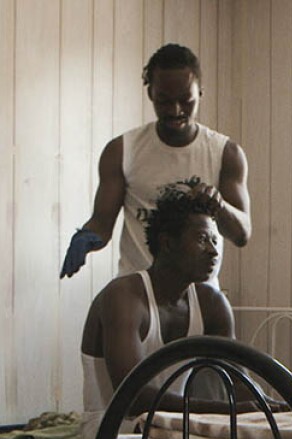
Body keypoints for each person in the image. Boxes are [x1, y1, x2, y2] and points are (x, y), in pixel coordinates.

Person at [79, 188, 253, 439]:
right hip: (115, 428)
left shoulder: (212, 303)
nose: (212, 251)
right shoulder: (124, 296)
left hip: (175, 427)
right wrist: (226, 410)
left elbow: (240, 384)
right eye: (201, 239)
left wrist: (273, 408)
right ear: (167, 243)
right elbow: (133, 399)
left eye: (215, 241)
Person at [60, 43, 251, 285]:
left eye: (186, 100)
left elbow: (242, 234)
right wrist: (85, 238)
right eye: (164, 101)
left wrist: (219, 206)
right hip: (137, 290)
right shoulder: (122, 151)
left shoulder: (226, 153)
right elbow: (101, 223)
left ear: (200, 92)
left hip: (199, 292)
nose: (176, 110)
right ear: (150, 93)